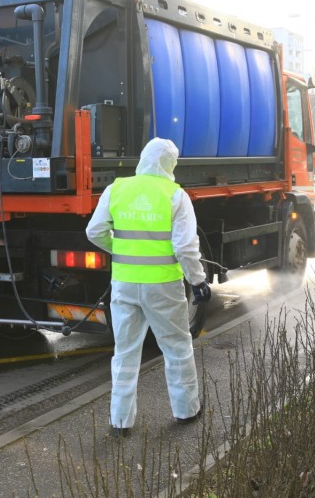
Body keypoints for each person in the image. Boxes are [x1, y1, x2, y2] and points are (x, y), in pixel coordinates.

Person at [86, 137, 211, 436]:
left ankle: (120, 419)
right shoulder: (176, 196)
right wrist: (198, 281)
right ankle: (186, 410)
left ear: (143, 158)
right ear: (170, 164)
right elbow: (185, 247)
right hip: (163, 287)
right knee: (177, 348)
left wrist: (120, 249)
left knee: (125, 352)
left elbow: (94, 231)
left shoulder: (116, 189)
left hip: (125, 285)